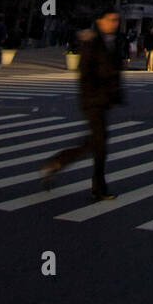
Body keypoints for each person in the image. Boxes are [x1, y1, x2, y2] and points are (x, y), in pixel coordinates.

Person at [41, 11, 124, 200]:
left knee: (93, 142)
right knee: (100, 144)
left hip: (103, 101)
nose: (114, 23)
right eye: (110, 20)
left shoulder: (113, 40)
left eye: (116, 20)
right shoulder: (92, 41)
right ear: (100, 21)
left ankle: (56, 163)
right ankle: (99, 188)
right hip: (93, 101)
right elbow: (85, 72)